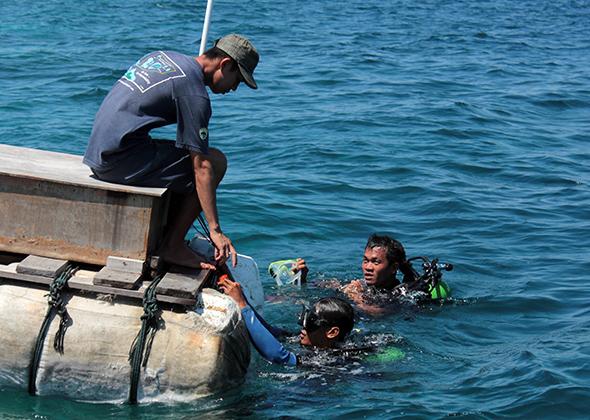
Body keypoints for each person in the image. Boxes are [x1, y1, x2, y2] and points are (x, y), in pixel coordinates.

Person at [83, 34, 259, 269]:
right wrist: (215, 230)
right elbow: (202, 167)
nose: (235, 88)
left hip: (98, 152)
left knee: (189, 154)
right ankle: (172, 246)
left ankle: (167, 234)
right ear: (225, 65)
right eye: (237, 79)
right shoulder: (194, 94)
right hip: (117, 162)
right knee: (215, 162)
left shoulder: (165, 57)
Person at [295, 234, 450, 315]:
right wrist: (303, 279)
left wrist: (355, 297)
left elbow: (379, 314)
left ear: (393, 268)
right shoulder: (362, 285)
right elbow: (319, 286)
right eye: (365, 260)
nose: (368, 267)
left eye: (376, 262)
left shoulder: (402, 294)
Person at [218, 275, 354, 366]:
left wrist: (242, 305)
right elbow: (269, 331)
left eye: (311, 320)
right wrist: (241, 299)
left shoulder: (332, 358)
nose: (303, 326)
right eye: (305, 317)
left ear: (332, 332)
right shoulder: (308, 338)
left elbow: (280, 357)